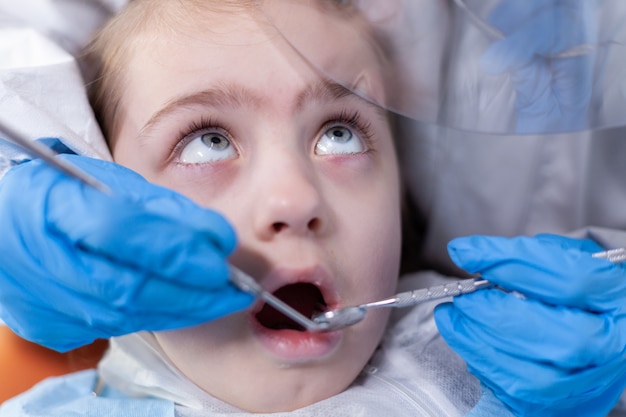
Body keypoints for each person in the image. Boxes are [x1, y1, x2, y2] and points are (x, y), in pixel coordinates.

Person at [1, 1, 626, 416]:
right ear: (104, 189)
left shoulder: (511, 380)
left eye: (340, 134)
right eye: (209, 141)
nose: (295, 200)